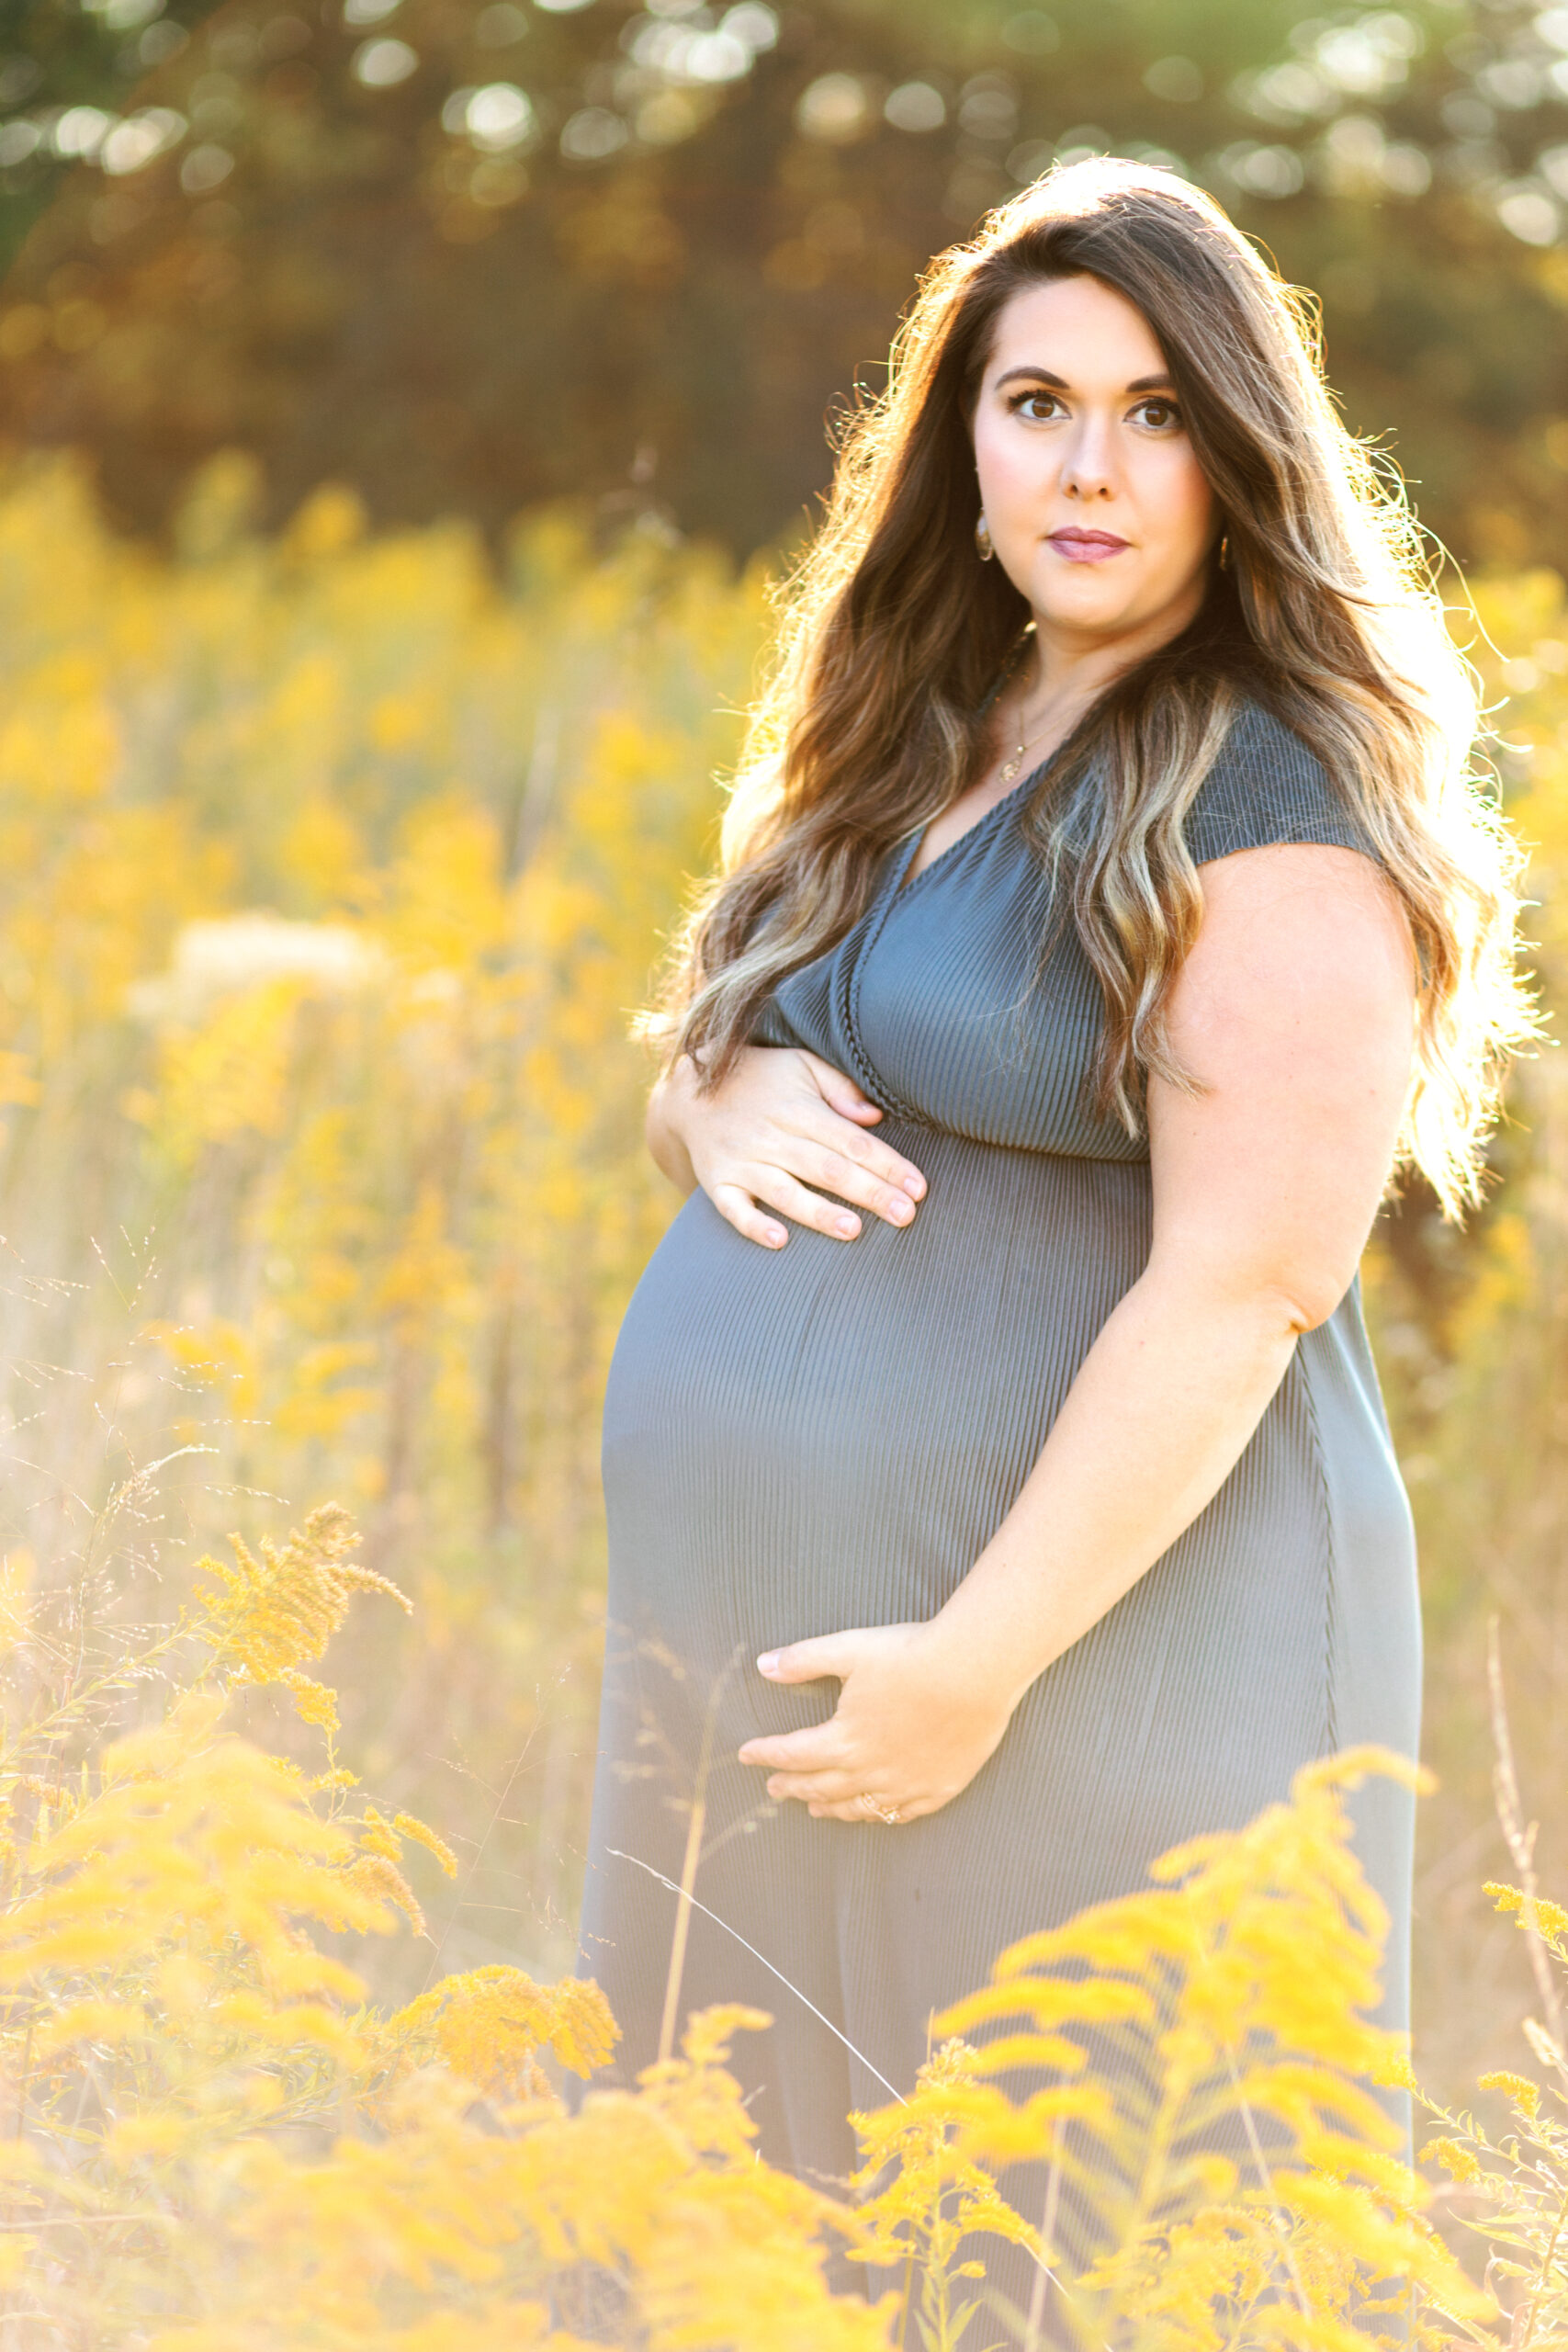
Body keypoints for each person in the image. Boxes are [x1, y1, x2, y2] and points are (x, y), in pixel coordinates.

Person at [573, 158, 1528, 2310]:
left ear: (1240, 457)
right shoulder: (916, 725)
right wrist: (703, 1086)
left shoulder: (1266, 799)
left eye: (1156, 410)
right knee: (753, 2234)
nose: (1088, 464)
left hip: (1089, 1653)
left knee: (1067, 2225)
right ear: (958, 445)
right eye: (1032, 402)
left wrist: (971, 1666)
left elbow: (1246, 1284)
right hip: (787, 1660)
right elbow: (750, 1070)